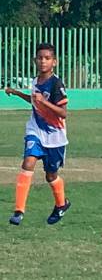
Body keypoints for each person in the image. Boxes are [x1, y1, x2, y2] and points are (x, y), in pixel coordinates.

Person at [5, 43, 71, 226]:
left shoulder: (57, 83)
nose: (43, 61)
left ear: (54, 62)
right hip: (35, 130)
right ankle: (19, 211)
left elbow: (63, 112)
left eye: (47, 58)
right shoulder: (35, 81)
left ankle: (61, 204)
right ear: (35, 60)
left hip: (55, 136)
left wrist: (45, 101)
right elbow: (35, 101)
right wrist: (17, 93)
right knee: (28, 162)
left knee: (51, 175)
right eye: (40, 58)